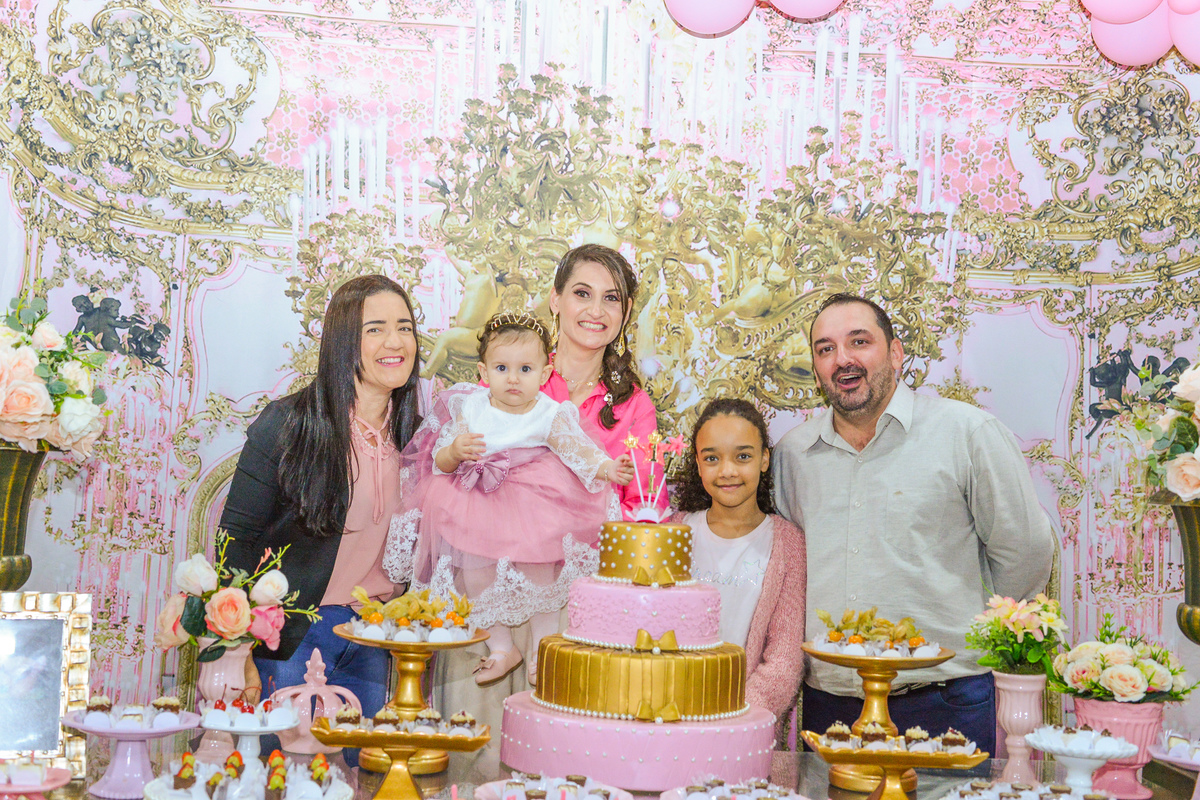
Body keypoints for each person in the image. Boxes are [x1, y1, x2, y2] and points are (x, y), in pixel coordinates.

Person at [773, 292, 1056, 752]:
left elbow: (1025, 554)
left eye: (859, 341)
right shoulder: (793, 455)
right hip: (832, 707)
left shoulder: (967, 434)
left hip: (944, 702)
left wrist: (963, 630)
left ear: (896, 353)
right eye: (825, 349)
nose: (842, 359)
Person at [386, 312, 634, 685]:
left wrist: (606, 468)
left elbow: (577, 450)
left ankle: (541, 648)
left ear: (544, 374)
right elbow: (438, 461)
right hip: (478, 500)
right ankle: (502, 647)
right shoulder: (470, 406)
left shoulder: (549, 413)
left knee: (540, 571)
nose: (513, 378)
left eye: (525, 369)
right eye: (502, 368)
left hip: (534, 499)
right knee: (475, 574)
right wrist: (455, 451)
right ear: (484, 372)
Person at [220, 275, 422, 727]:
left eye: (405, 327)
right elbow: (236, 537)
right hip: (293, 635)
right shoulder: (289, 424)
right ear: (343, 342)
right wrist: (237, 648)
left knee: (358, 766)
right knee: (282, 765)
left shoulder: (419, 436)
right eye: (375, 328)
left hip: (375, 638)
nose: (395, 341)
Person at [670, 398, 806, 736]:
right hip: (669, 720)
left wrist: (736, 717)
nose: (727, 470)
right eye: (712, 458)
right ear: (697, 464)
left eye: (742, 456)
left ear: (764, 459)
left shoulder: (787, 544)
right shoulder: (674, 533)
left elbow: (784, 660)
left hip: (743, 729)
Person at [543, 243, 667, 519]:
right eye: (582, 294)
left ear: (626, 311)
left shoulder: (635, 407)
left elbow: (647, 506)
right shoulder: (515, 379)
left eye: (611, 298)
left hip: (602, 545)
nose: (596, 311)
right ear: (555, 300)